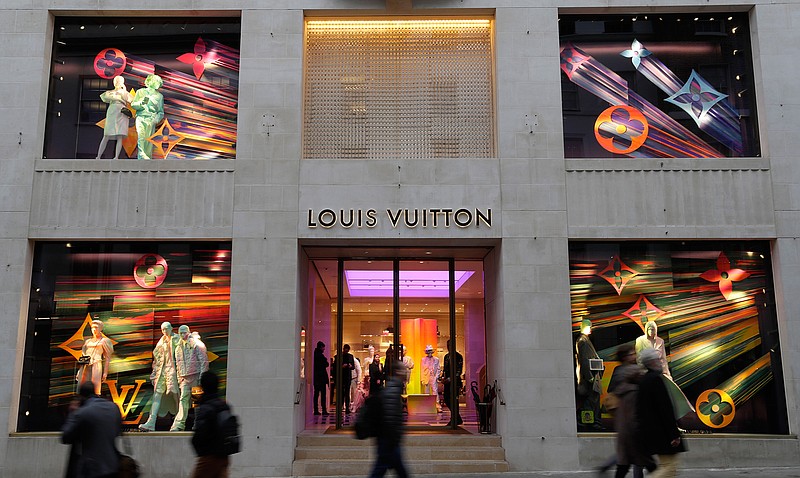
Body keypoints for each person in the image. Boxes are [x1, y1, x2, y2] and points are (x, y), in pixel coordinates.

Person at [596, 344, 655, 478]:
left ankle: (606, 466)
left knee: (626, 459)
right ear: (625, 357)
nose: (635, 356)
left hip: (623, 420)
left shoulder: (619, 372)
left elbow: (611, 388)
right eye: (631, 354)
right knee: (640, 459)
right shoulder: (635, 374)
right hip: (632, 422)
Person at [636, 348, 686, 478]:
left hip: (652, 432)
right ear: (652, 362)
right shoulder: (656, 380)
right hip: (662, 433)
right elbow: (665, 408)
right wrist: (674, 434)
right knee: (669, 468)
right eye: (658, 359)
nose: (661, 362)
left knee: (669, 468)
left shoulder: (644, 380)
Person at [61, 381, 122, 478]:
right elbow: (118, 432)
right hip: (113, 467)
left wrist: (72, 413)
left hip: (92, 469)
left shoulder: (82, 413)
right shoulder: (114, 408)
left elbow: (66, 437)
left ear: (81, 396)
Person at [368, 361, 409, 478]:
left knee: (382, 469)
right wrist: (394, 438)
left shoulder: (394, 389)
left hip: (388, 440)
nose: (405, 373)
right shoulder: (393, 390)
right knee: (383, 470)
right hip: (389, 441)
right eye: (403, 370)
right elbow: (391, 418)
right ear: (398, 372)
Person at [139, 321, 180, 431]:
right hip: (162, 372)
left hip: (173, 371)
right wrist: (154, 373)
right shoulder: (161, 342)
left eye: (167, 328)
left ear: (171, 328)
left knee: (176, 395)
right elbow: (157, 360)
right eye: (163, 329)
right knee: (157, 395)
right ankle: (151, 421)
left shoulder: (177, 339)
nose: (165, 331)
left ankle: (179, 422)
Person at [191, 371, 231, 478]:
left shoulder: (205, 407)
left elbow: (200, 434)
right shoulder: (224, 406)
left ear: (203, 386)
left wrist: (199, 449)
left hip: (208, 457)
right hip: (224, 456)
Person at [172, 324, 209, 431]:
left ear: (188, 332)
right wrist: (180, 378)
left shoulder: (197, 344)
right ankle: (179, 424)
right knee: (183, 400)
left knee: (197, 400)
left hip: (196, 375)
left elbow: (204, 361)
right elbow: (178, 363)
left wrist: (202, 377)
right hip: (184, 377)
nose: (182, 334)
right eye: (180, 332)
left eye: (184, 332)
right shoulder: (178, 347)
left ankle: (198, 424)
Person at [95, 75, 133, 159]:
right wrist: (117, 95)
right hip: (112, 110)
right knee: (106, 134)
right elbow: (105, 97)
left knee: (120, 135)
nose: (117, 82)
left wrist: (124, 91)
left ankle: (116, 157)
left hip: (121, 111)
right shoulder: (110, 92)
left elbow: (130, 99)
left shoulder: (124, 93)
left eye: (119, 81)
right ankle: (98, 156)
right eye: (115, 81)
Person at [576, 319, 602, 430]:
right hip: (589, 378)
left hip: (589, 376)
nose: (591, 328)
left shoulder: (584, 340)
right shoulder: (583, 341)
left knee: (591, 401)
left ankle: (590, 422)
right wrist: (590, 377)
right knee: (591, 401)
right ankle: (590, 422)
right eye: (589, 326)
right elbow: (585, 360)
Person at [76, 320, 114, 396]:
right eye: (92, 327)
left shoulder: (104, 341)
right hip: (86, 364)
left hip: (96, 364)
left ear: (100, 329)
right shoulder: (88, 341)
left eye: (96, 327)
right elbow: (84, 356)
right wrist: (79, 370)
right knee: (82, 384)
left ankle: (94, 397)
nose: (94, 329)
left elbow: (107, 358)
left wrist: (105, 372)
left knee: (95, 386)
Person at [131, 74, 164, 160]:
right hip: (141, 117)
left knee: (149, 139)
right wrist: (141, 103)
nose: (158, 84)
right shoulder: (140, 92)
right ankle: (141, 154)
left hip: (151, 119)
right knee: (141, 136)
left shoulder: (159, 96)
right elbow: (133, 105)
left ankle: (147, 157)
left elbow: (160, 112)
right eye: (157, 81)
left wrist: (155, 120)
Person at [443, 339, 463, 426]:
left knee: (454, 400)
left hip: (454, 382)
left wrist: (451, 379)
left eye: (450, 345)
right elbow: (445, 369)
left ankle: (455, 418)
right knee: (447, 398)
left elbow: (459, 371)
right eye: (447, 345)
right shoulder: (446, 356)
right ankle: (457, 417)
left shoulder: (458, 356)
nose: (448, 347)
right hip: (447, 381)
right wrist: (443, 377)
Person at [421, 344, 441, 412]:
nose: (429, 352)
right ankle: (427, 406)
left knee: (435, 391)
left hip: (433, 376)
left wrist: (436, 377)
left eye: (430, 351)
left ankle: (437, 405)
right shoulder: (423, 359)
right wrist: (422, 379)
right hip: (426, 376)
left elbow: (438, 369)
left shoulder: (436, 359)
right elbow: (422, 369)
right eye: (428, 351)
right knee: (426, 391)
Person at [337, 344, 356, 414]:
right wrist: (342, 366)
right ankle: (341, 406)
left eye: (347, 349)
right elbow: (336, 366)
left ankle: (347, 408)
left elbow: (353, 367)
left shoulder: (350, 356)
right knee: (341, 392)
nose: (346, 350)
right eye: (345, 349)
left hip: (348, 376)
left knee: (347, 393)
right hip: (341, 376)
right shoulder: (339, 356)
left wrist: (350, 366)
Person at [313, 341, 329, 415]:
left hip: (316, 378)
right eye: (323, 347)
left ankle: (316, 409)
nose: (324, 349)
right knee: (322, 395)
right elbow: (326, 364)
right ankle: (323, 410)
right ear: (321, 347)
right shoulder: (320, 356)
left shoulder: (315, 355)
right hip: (321, 378)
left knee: (316, 394)